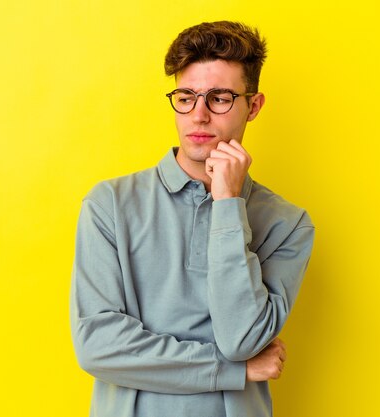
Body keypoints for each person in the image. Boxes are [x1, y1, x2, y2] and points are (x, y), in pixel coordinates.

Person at [70, 21, 314, 417]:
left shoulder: (289, 225)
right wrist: (234, 370)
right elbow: (98, 346)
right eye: (186, 97)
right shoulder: (109, 205)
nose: (198, 115)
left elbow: (241, 338)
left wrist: (227, 206)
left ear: (253, 106)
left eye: (219, 98)